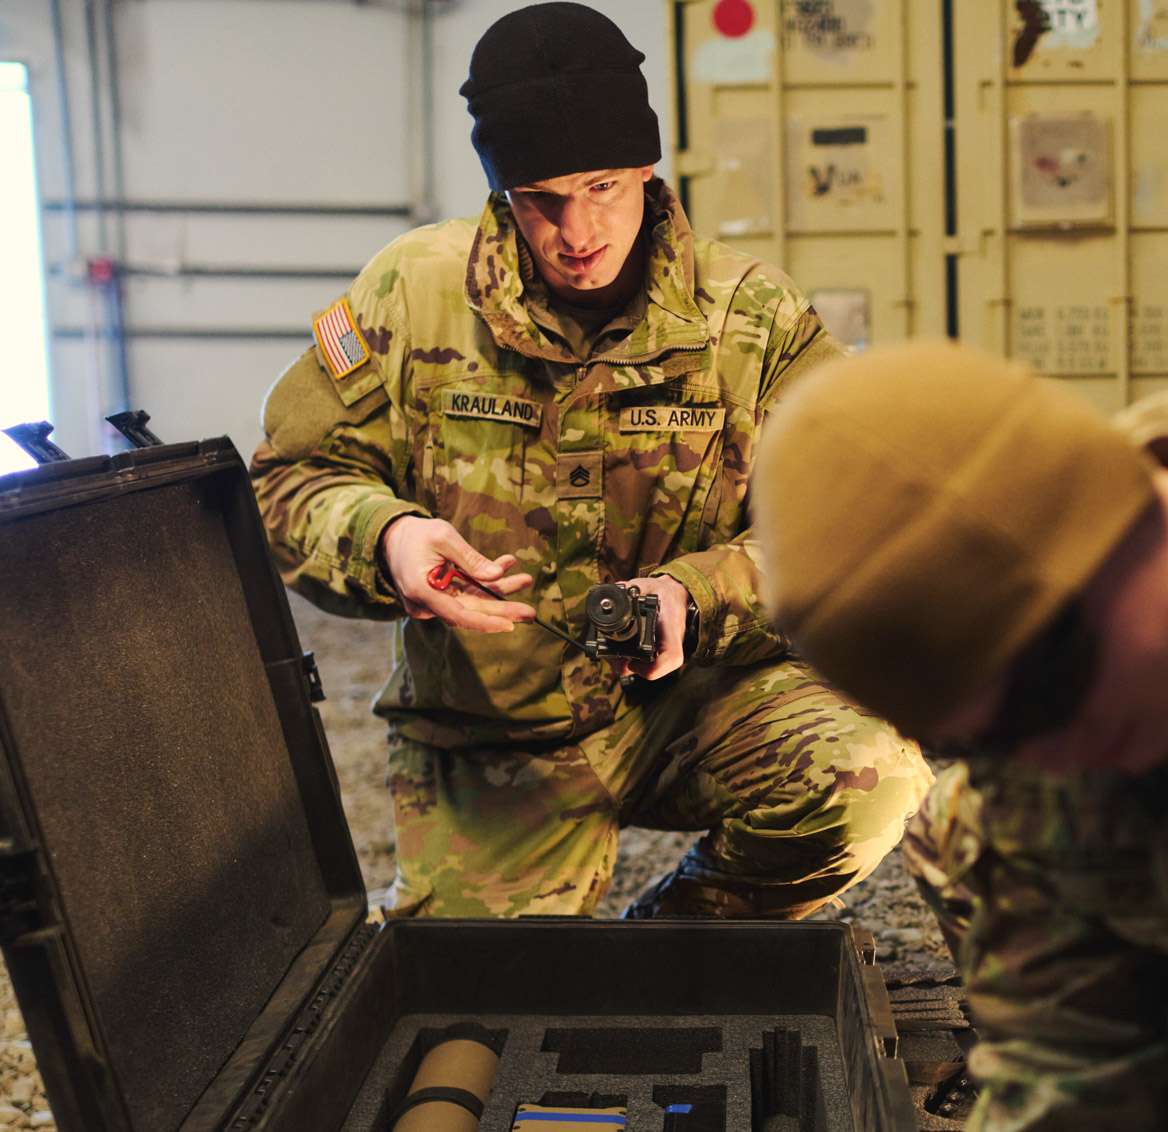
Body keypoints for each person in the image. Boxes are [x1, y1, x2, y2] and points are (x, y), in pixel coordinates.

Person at [250, 2, 931, 921]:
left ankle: (668, 944)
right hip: (493, 733)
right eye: (542, 201)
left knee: (870, 776)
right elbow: (290, 480)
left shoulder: (753, 319)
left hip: (691, 706)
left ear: (649, 169)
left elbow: (851, 528)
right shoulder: (411, 296)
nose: (577, 232)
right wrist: (388, 538)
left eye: (604, 186)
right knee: (479, 1011)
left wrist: (697, 597)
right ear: (503, 193)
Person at [753, 338, 1168, 1130]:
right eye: (989, 739)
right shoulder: (1048, 780)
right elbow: (1073, 1069)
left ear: (1125, 509)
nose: (1054, 759)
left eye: (1051, 687)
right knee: (956, 825)